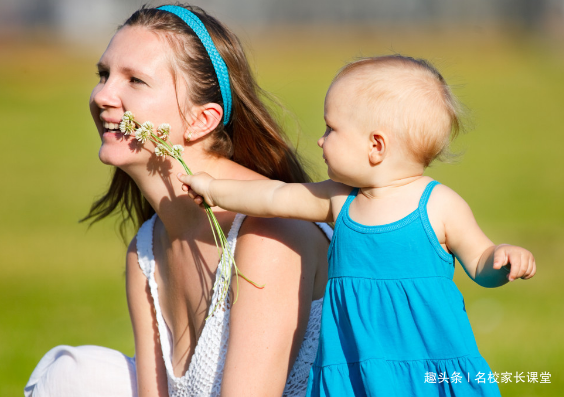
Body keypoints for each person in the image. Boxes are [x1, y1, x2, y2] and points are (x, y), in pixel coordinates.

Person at [177, 55, 537, 396]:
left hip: (426, 358)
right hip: (353, 363)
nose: (321, 139)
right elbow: (275, 197)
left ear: (376, 145)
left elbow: (479, 262)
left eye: (331, 129)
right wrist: (216, 190)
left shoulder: (439, 204)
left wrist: (500, 260)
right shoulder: (340, 201)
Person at [25, 4, 330, 397]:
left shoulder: (269, 233)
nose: (102, 95)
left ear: (201, 120)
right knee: (71, 375)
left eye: (135, 80)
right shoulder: (147, 250)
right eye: (104, 74)